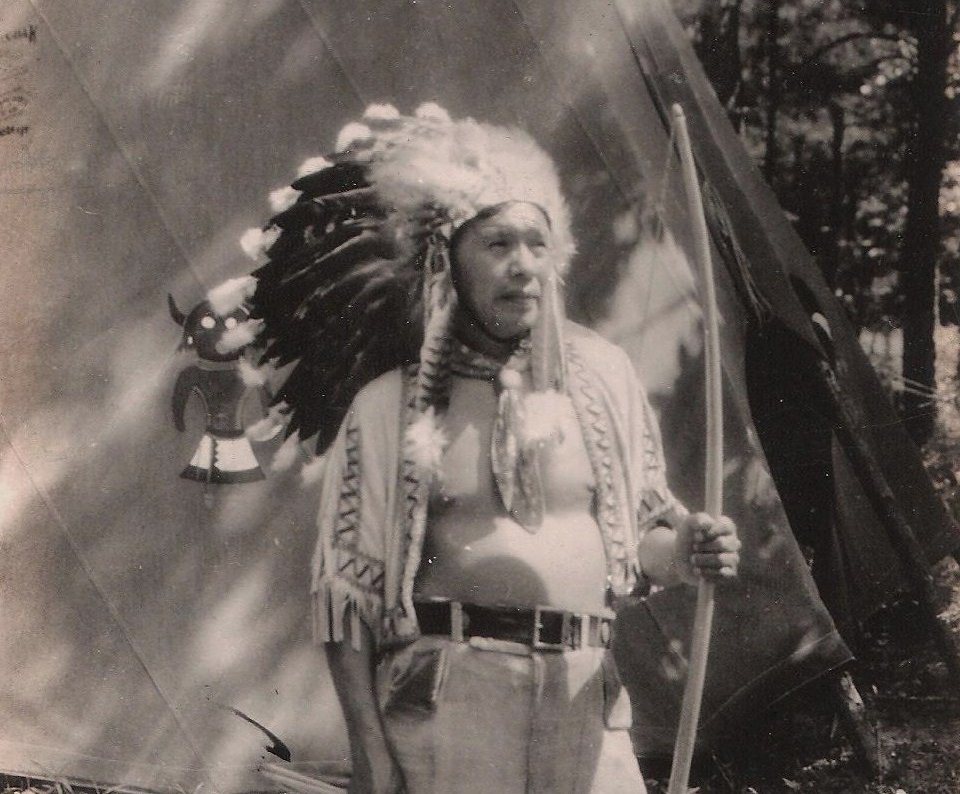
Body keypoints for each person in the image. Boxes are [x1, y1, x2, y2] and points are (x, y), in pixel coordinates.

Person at [247, 103, 741, 794]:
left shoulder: (603, 380)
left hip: (585, 700)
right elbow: (345, 600)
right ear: (447, 261)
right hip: (451, 706)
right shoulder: (390, 407)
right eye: (498, 245)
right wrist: (371, 750)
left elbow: (642, 541)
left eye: (538, 245)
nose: (523, 267)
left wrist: (687, 548)